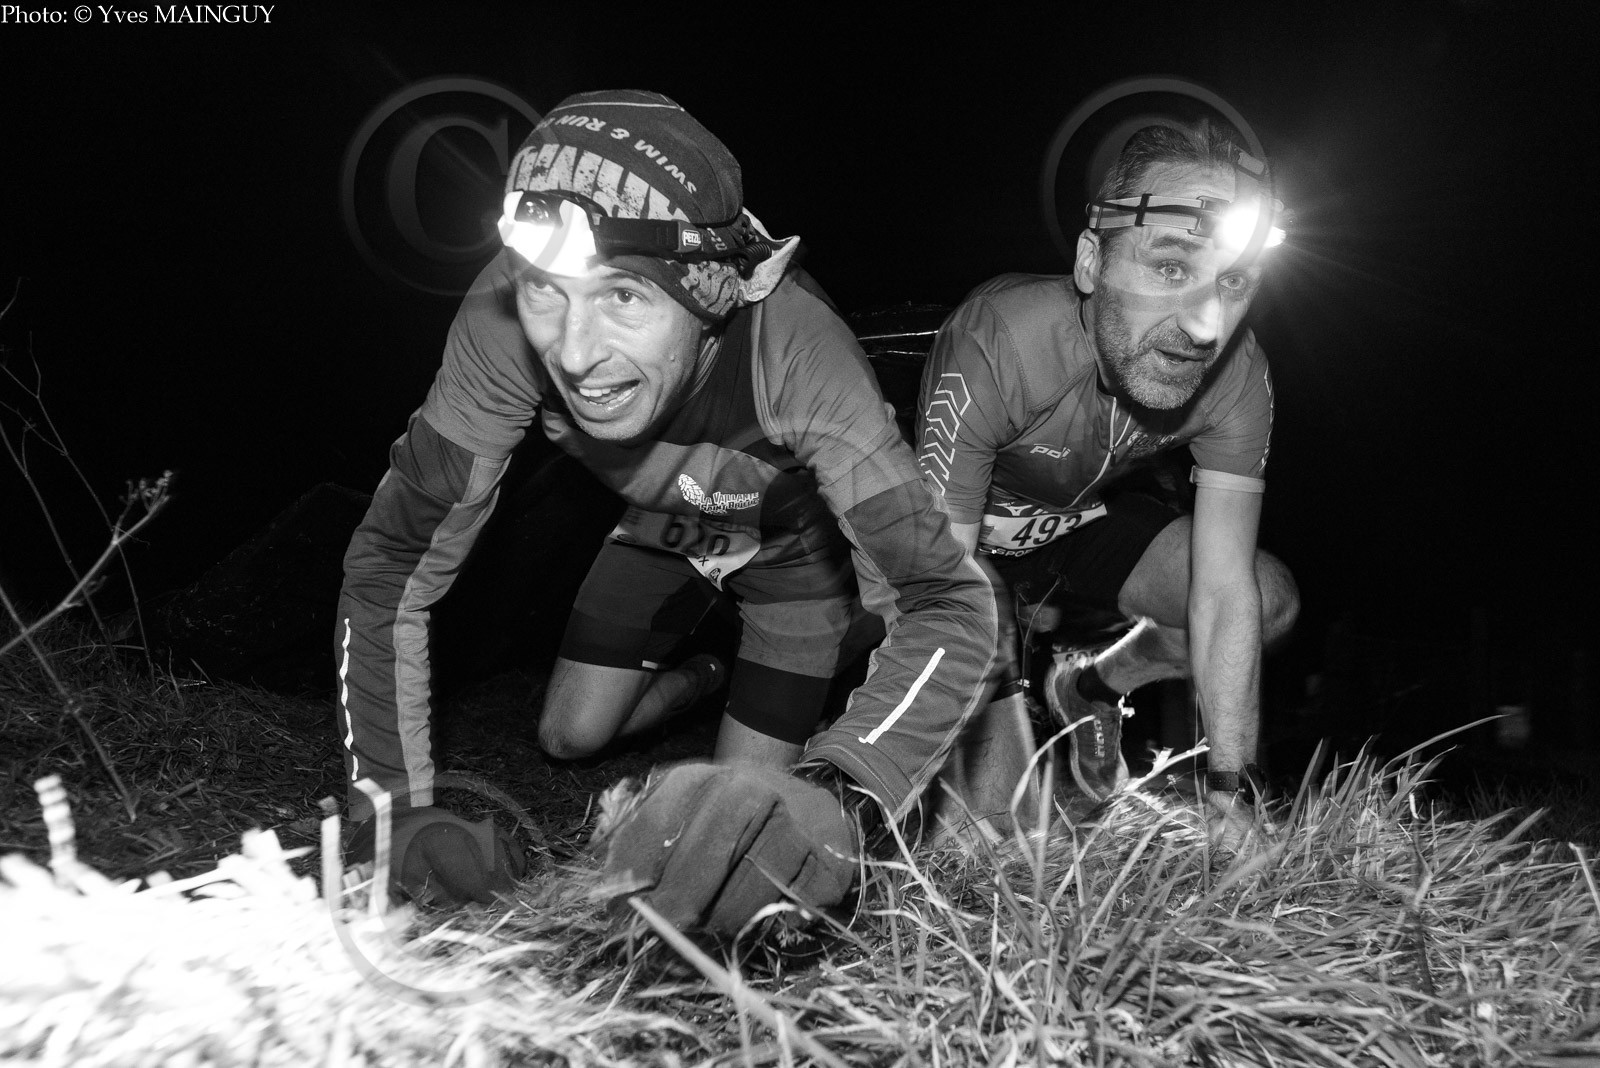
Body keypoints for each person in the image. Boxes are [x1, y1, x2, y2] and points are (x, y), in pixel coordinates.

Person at [336, 90, 998, 926]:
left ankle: (756, 680)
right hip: (667, 528)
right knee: (567, 738)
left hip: (795, 564)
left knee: (728, 845)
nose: (574, 354)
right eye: (546, 291)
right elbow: (392, 565)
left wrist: (848, 790)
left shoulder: (802, 355)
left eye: (624, 296)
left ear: (724, 289)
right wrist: (387, 808)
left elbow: (947, 603)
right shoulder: (500, 326)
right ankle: (702, 676)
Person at [915, 119, 1299, 846]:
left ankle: (1089, 687)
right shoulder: (1002, 336)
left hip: (1075, 524)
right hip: (968, 541)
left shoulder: (1240, 376)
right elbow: (938, 592)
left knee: (1265, 594)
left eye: (1234, 281)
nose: (1207, 327)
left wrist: (1231, 793)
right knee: (993, 848)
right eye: (1171, 267)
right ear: (1091, 262)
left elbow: (1223, 591)